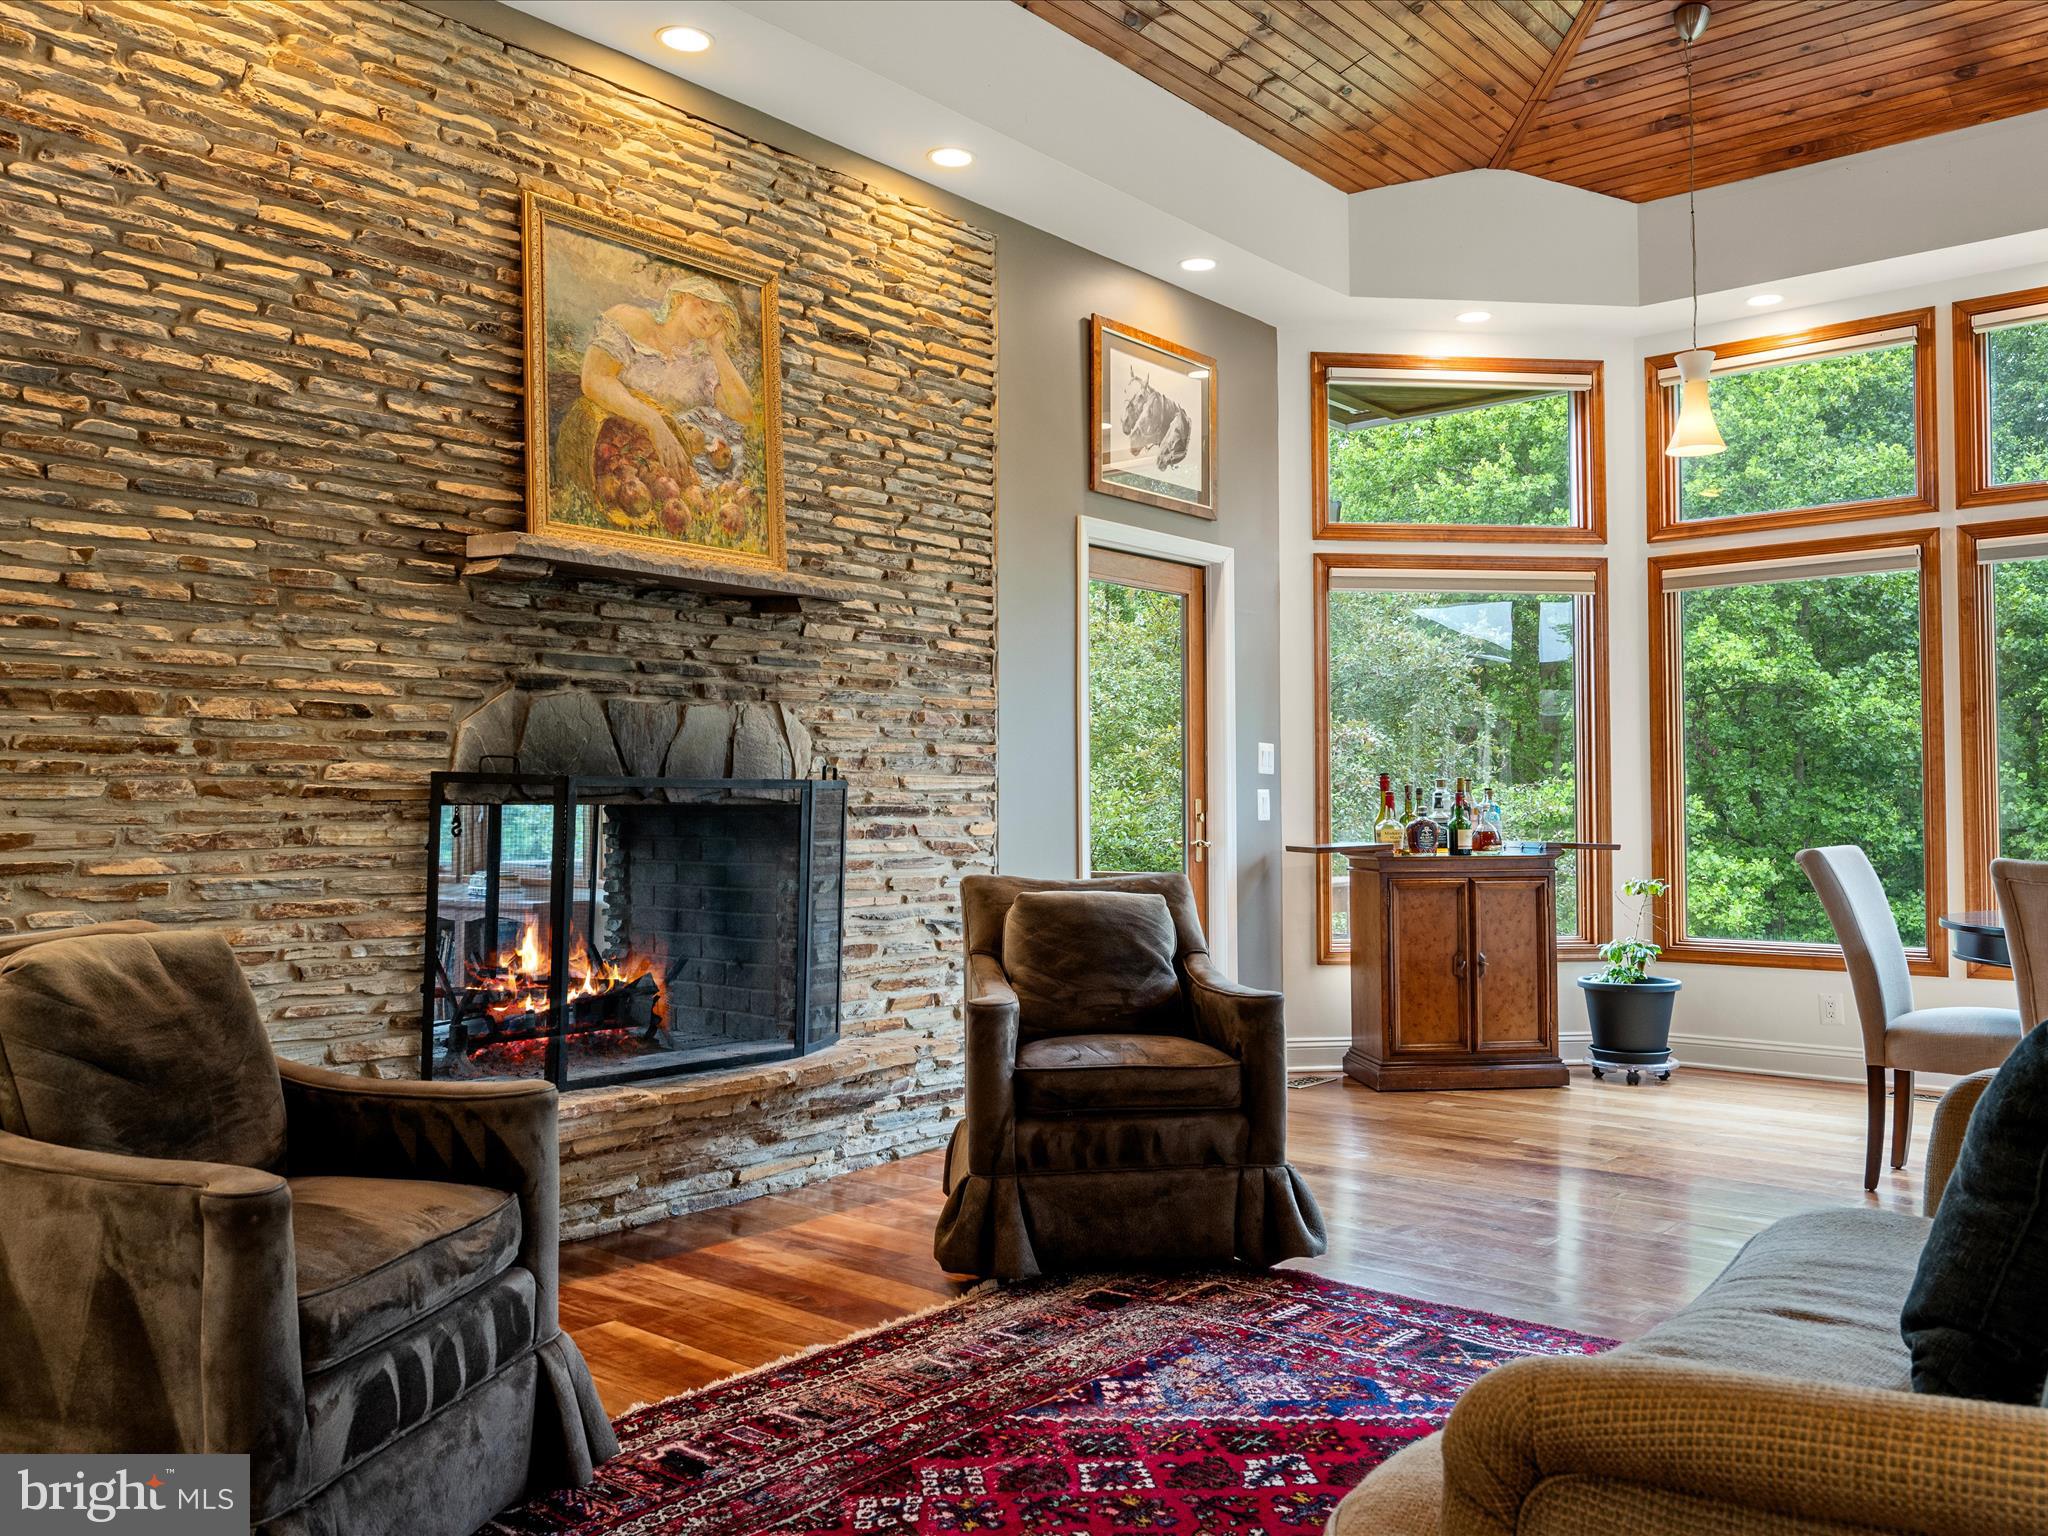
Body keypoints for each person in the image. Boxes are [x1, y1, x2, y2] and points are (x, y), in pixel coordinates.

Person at [575, 272, 753, 490]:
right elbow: (594, 378)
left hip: (665, 474)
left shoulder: (703, 365)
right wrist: (653, 422)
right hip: (611, 450)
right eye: (704, 303)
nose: (708, 318)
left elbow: (743, 412)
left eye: (718, 319)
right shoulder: (631, 320)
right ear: (680, 297)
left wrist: (716, 347)